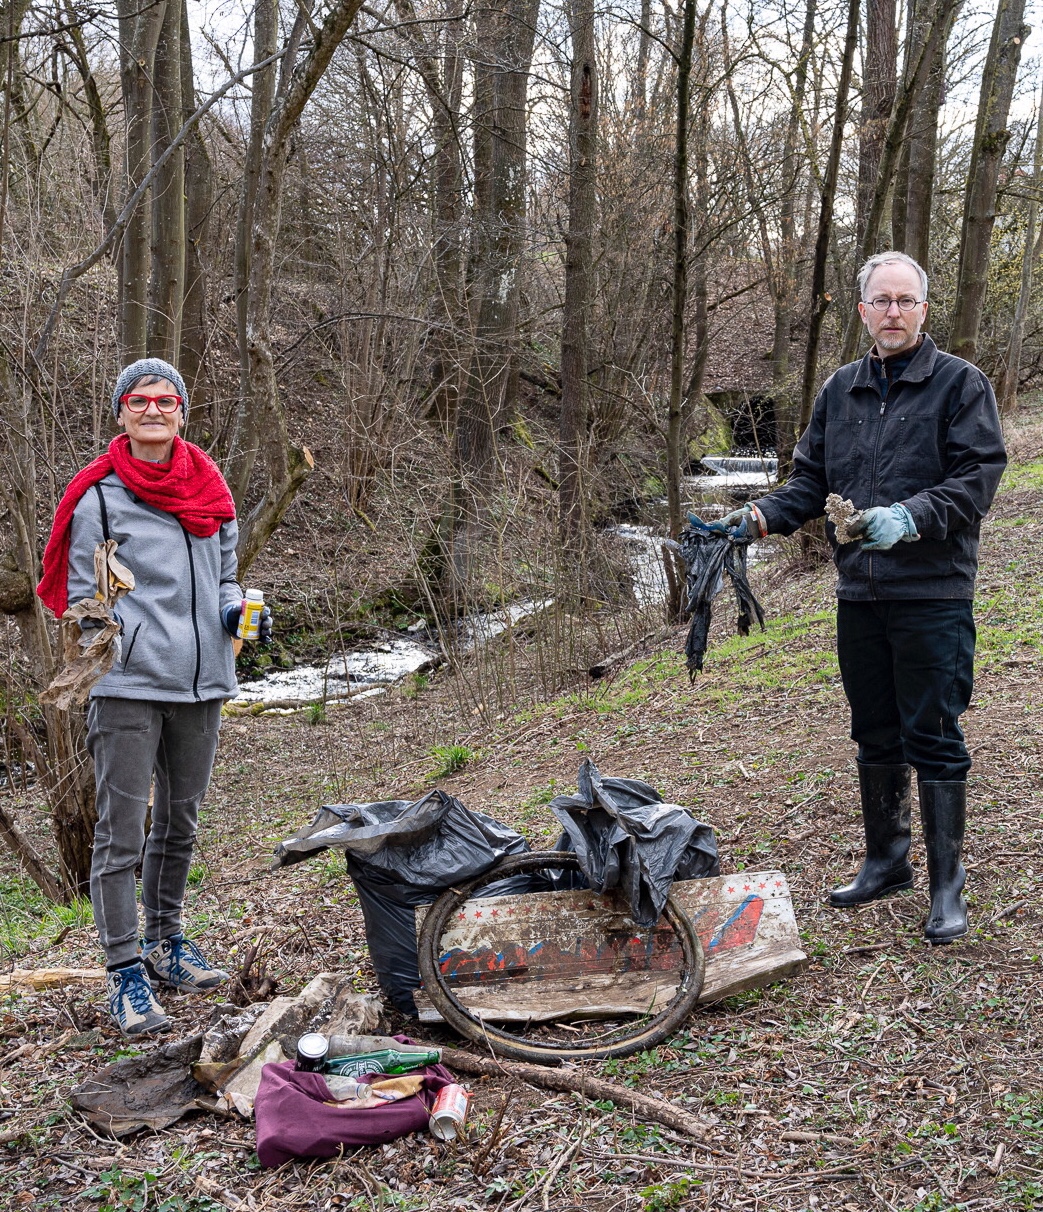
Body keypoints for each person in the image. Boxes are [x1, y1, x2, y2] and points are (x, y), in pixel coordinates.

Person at [718, 252, 1006, 944]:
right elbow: (809, 481)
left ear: (923, 311)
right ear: (862, 312)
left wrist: (907, 517)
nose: (893, 312)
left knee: (931, 734)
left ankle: (946, 887)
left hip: (932, 592)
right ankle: (885, 862)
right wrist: (756, 517)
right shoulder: (839, 390)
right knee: (873, 731)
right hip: (860, 596)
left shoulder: (959, 385)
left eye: (905, 301)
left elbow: (977, 478)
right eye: (881, 301)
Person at [37, 358, 272, 1035]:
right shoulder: (100, 498)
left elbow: (227, 577)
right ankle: (124, 971)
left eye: (165, 400)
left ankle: (168, 943)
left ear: (180, 412)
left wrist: (234, 613)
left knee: (180, 822)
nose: (152, 409)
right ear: (121, 414)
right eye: (138, 401)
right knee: (119, 834)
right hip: (130, 684)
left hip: (202, 683)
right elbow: (83, 599)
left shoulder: (210, 488)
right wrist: (112, 640)